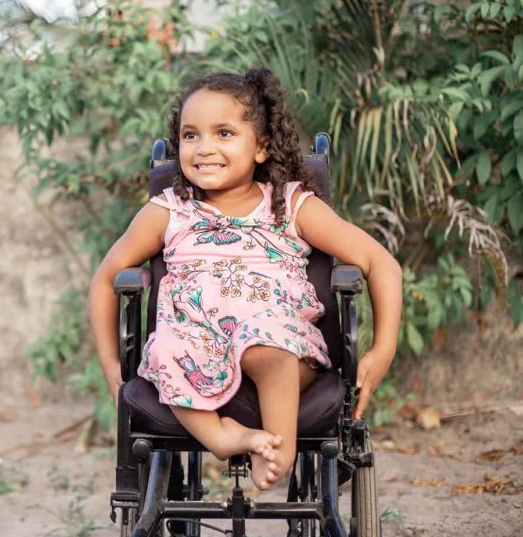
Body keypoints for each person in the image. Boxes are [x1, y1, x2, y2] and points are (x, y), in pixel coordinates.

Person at [89, 69, 403, 490]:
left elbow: (380, 262)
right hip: (196, 344)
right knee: (165, 348)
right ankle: (222, 438)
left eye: (223, 133)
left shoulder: (290, 206)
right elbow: (106, 278)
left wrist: (382, 349)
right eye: (190, 135)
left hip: (278, 342)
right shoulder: (170, 212)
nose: (204, 148)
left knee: (262, 344)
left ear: (261, 146)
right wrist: (112, 364)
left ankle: (280, 449)